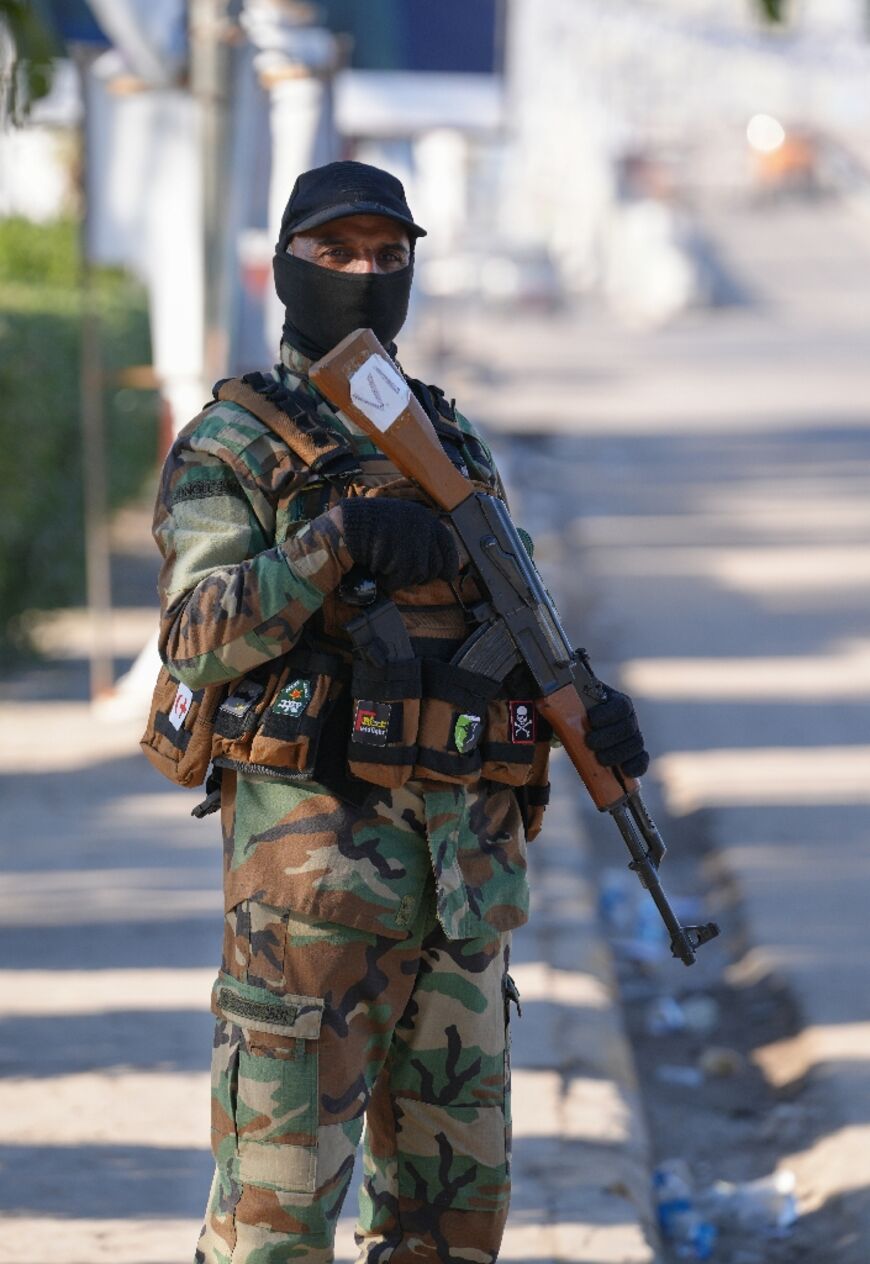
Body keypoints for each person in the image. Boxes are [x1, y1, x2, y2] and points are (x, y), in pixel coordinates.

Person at [152, 160, 648, 1264]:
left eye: (389, 256)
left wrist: (589, 708)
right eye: (337, 254)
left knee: (453, 1233)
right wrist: (339, 542)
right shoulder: (236, 442)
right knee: (271, 1235)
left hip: (463, 902)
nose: (366, 275)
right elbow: (194, 636)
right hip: (311, 902)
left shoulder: (452, 438)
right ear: (287, 266)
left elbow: (522, 625)